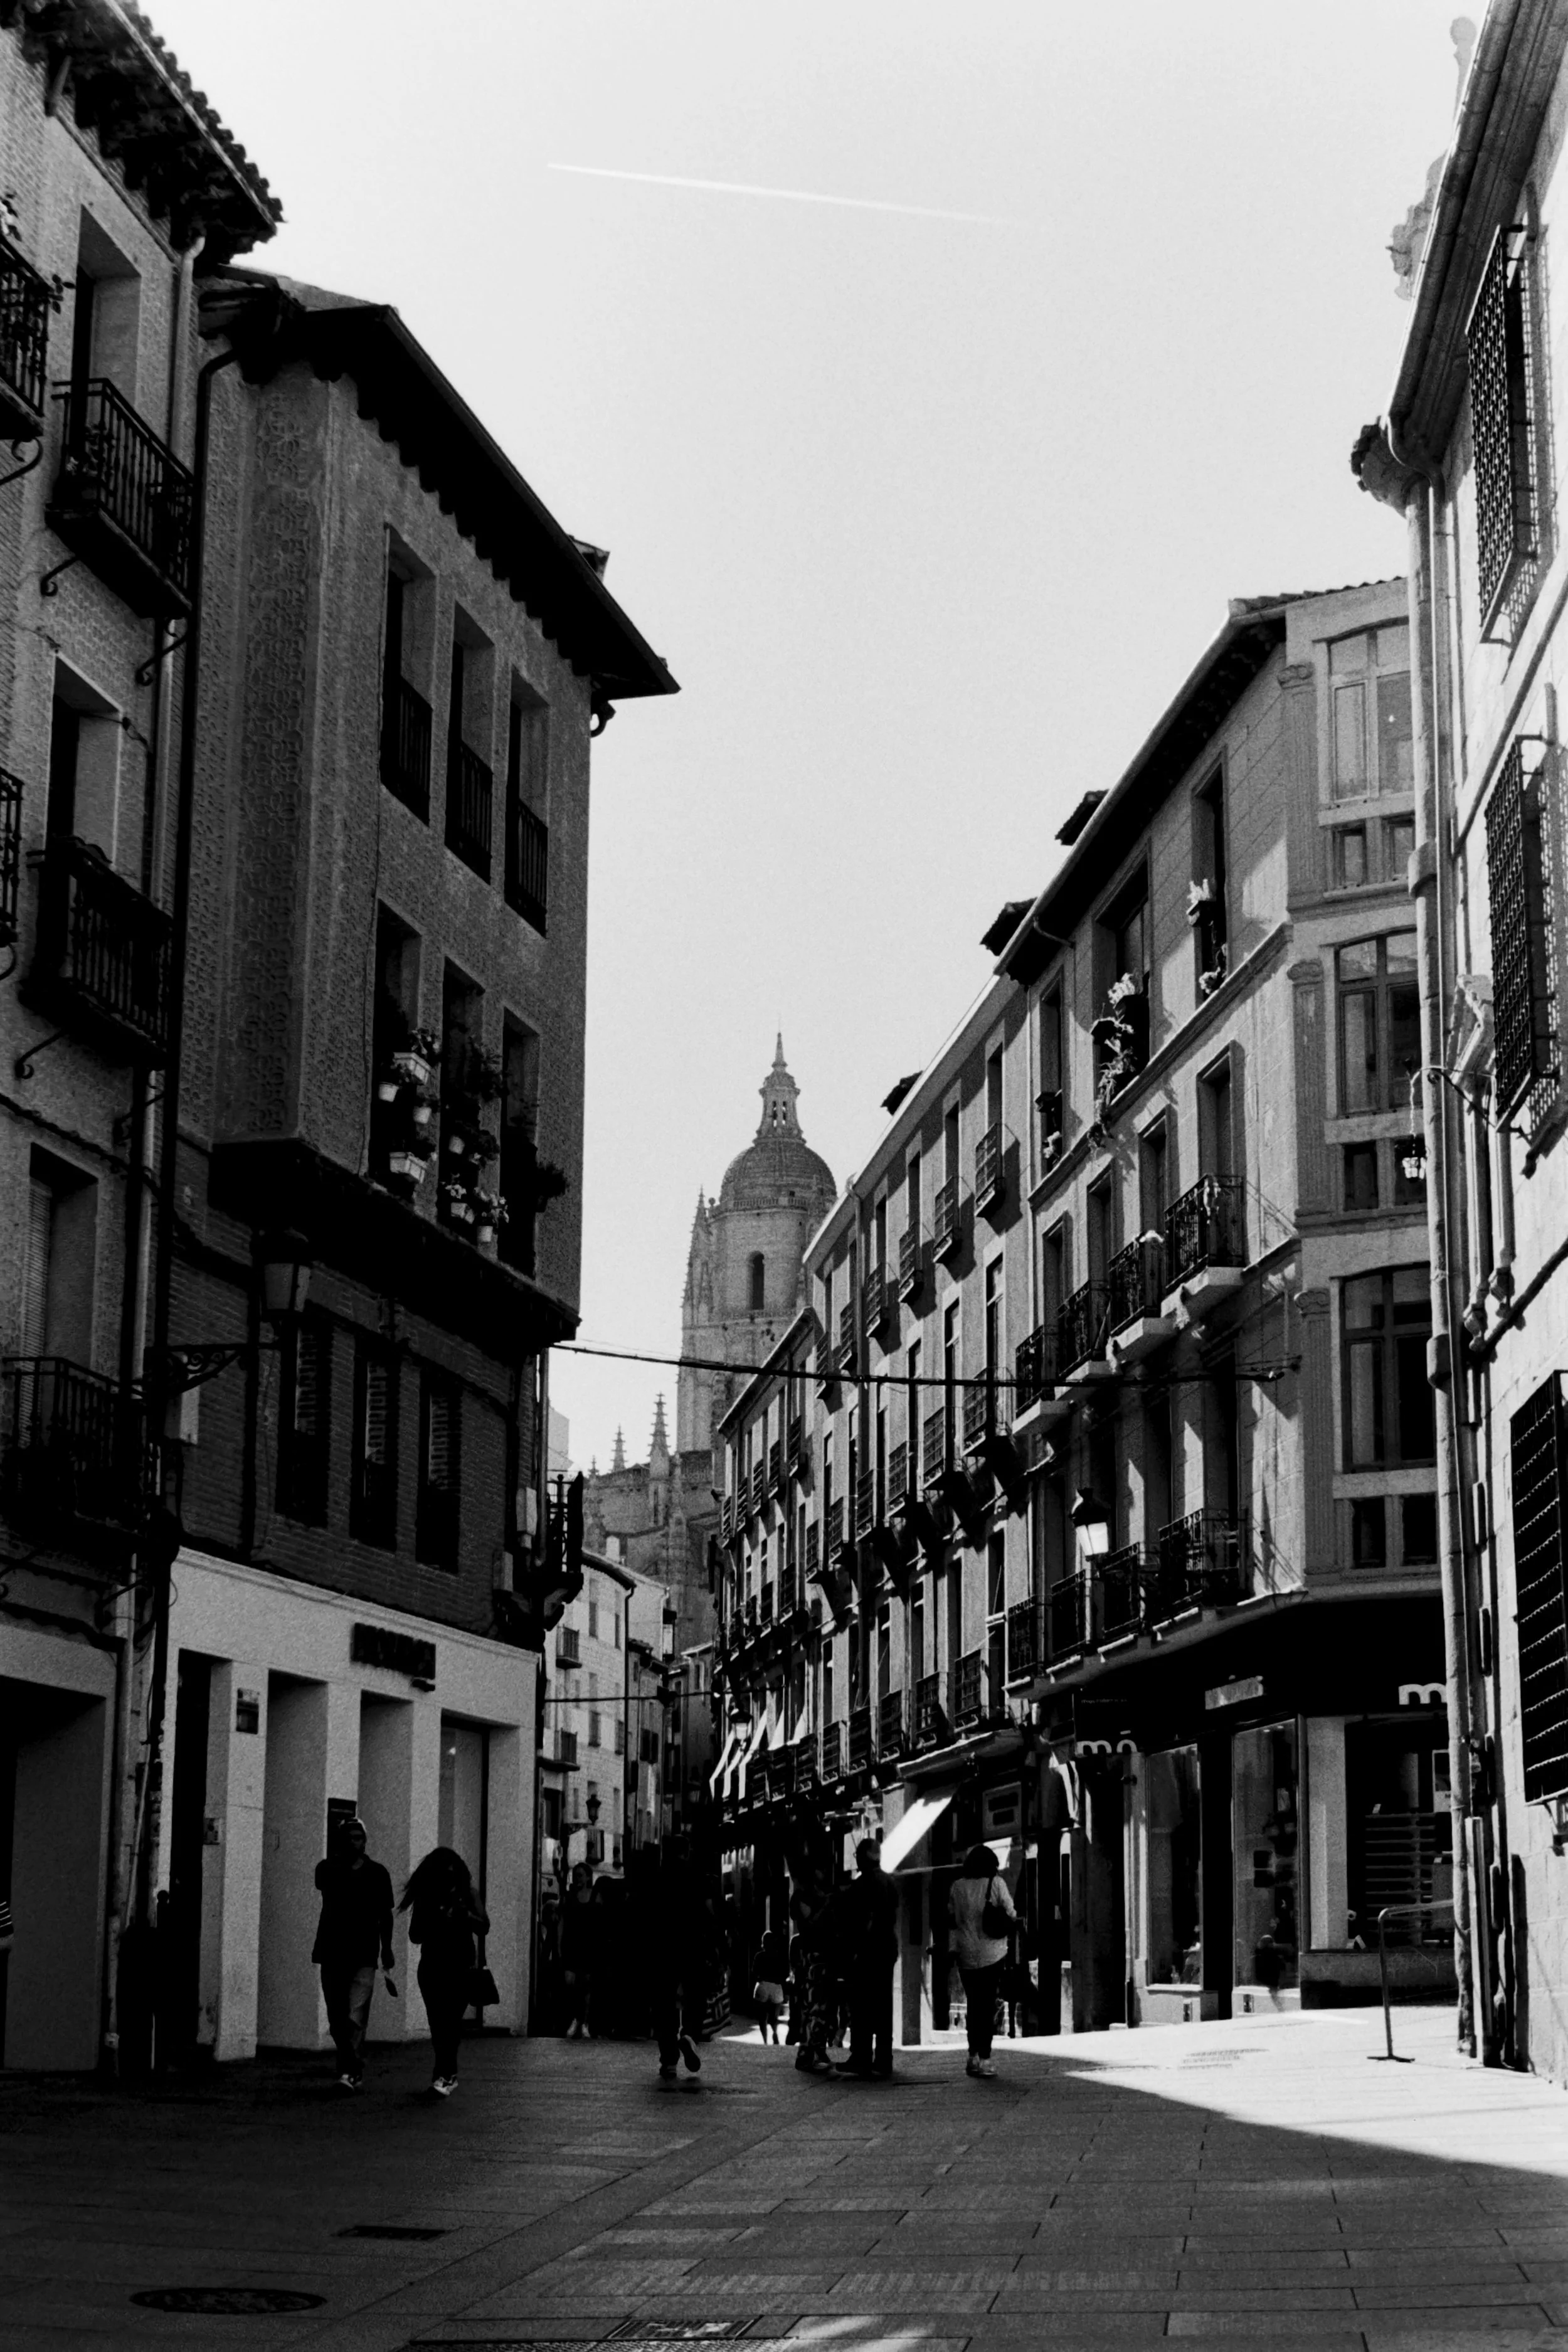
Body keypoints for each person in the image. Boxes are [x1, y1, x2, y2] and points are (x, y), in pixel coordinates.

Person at [311, 1816, 396, 2089]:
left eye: (358, 1837)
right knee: (337, 2016)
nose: (353, 1843)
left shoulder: (378, 1873)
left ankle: (351, 2070)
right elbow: (322, 1882)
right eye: (348, 1838)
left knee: (355, 2014)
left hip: (364, 1952)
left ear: (365, 1841)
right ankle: (350, 2061)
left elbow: (386, 1914)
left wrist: (387, 1948)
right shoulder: (327, 1869)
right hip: (333, 1950)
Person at [398, 1846, 488, 2097]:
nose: (448, 1880)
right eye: (443, 1874)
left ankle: (444, 2074)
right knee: (438, 2023)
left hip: (461, 1967)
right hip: (432, 1967)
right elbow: (415, 1935)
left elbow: (484, 1927)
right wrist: (437, 1918)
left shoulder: (469, 1896)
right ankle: (447, 2074)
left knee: (450, 2022)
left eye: (452, 1874)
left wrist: (464, 1915)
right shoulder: (426, 1898)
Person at [947, 1843, 1015, 2079]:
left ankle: (972, 2056)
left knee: (974, 2005)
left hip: (966, 1957)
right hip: (992, 1955)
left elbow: (952, 1920)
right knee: (986, 2008)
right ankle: (985, 2059)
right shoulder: (996, 1884)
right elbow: (1011, 1913)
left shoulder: (957, 1887)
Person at [835, 1838, 899, 2080]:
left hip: (866, 1954)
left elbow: (859, 1922)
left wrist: (854, 1950)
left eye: (858, 1857)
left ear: (864, 1858)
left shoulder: (861, 1885)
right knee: (884, 2007)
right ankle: (884, 2059)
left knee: (861, 2008)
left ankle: (861, 2057)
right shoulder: (890, 1882)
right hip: (887, 1951)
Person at [652, 1833, 714, 2083]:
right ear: (687, 1851)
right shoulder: (698, 1876)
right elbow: (709, 1912)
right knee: (696, 1996)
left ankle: (668, 2061)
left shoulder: (656, 1877)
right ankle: (689, 2035)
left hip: (663, 1947)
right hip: (692, 1945)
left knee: (664, 2003)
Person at [788, 1860, 836, 2074]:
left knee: (822, 2008)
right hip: (814, 1959)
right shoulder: (802, 1897)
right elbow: (811, 1924)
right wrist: (826, 1906)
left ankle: (817, 2049)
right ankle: (807, 2053)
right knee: (814, 2007)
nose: (823, 1872)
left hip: (823, 1957)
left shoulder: (816, 1894)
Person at [558, 1862, 596, 2037]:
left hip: (588, 1946)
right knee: (570, 1983)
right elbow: (562, 1922)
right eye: (575, 1876)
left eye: (580, 1875)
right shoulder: (569, 1897)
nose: (577, 1879)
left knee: (587, 1986)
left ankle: (585, 2022)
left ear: (588, 1877)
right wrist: (559, 1945)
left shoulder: (594, 1897)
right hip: (572, 1945)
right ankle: (575, 2019)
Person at [753, 1927, 787, 2045]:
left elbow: (755, 1972)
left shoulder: (759, 1956)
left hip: (763, 1985)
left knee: (762, 2017)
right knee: (775, 2017)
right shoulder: (779, 1957)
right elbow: (785, 1974)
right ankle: (775, 2032)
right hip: (776, 1987)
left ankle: (765, 2041)